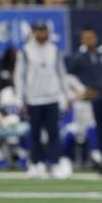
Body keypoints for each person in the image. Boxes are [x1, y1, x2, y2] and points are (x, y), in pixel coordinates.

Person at [14, 21, 71, 179]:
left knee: (53, 133)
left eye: (43, 31)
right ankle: (35, 164)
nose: (41, 34)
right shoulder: (25, 51)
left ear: (47, 32)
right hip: (33, 98)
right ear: (33, 32)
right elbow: (19, 76)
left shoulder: (54, 50)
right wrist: (20, 98)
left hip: (52, 97)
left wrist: (66, 96)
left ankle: (54, 163)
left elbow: (61, 73)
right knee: (35, 133)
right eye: (38, 31)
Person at [65, 26, 102, 173]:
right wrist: (81, 91)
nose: (89, 40)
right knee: (92, 128)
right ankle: (98, 158)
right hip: (86, 103)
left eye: (91, 37)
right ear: (82, 40)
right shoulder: (77, 57)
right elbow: (67, 77)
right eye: (86, 38)